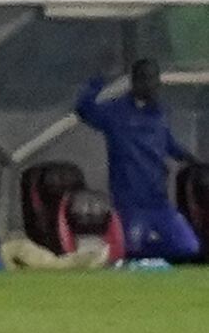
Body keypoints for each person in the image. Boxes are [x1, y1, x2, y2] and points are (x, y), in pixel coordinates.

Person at [76, 61, 202, 260]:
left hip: (159, 201)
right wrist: (100, 79)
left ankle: (155, 264)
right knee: (132, 251)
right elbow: (83, 109)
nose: (152, 84)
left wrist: (192, 160)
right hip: (130, 203)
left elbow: (168, 144)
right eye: (146, 78)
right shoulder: (116, 112)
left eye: (155, 78)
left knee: (188, 247)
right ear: (135, 81)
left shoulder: (160, 112)